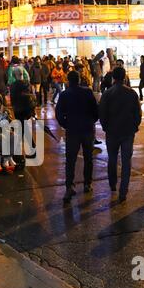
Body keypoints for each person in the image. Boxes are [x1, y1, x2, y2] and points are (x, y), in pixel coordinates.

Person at [99, 67, 142, 203]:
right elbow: (138, 113)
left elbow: (102, 113)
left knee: (112, 158)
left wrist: (106, 127)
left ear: (113, 78)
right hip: (127, 131)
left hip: (112, 131)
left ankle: (113, 184)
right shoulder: (131, 93)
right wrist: (134, 126)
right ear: (124, 77)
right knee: (126, 161)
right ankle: (123, 191)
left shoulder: (107, 93)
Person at [55, 71, 98, 202]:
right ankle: (87, 183)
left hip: (72, 130)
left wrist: (66, 124)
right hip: (87, 129)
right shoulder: (88, 92)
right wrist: (91, 121)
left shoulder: (64, 95)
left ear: (68, 80)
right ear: (79, 79)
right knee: (88, 158)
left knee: (71, 160)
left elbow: (58, 113)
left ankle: (69, 186)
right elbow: (96, 110)